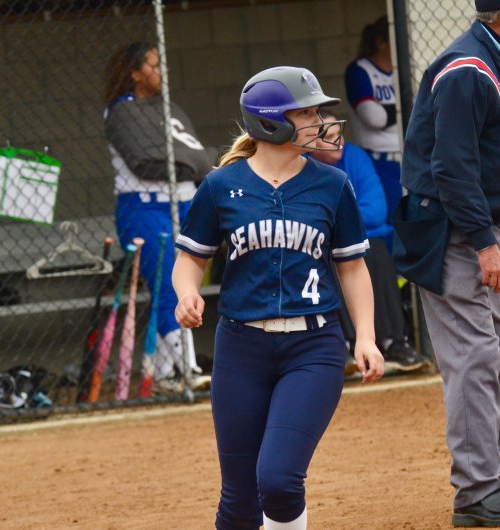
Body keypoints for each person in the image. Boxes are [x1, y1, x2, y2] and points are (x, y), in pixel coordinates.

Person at [172, 66, 385, 530]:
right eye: (306, 112)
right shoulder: (221, 186)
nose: (319, 121)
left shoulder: (332, 185)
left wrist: (364, 338)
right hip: (240, 349)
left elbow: (352, 267)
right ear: (271, 122)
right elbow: (189, 260)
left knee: (280, 480)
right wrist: (187, 294)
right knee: (239, 501)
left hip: (313, 348)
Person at [394, 0, 500, 527]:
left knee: (496, 352)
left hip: (479, 227)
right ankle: (475, 492)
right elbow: (452, 168)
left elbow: (497, 159)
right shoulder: (469, 70)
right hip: (451, 232)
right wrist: (484, 242)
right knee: (472, 358)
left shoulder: (496, 60)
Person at [103, 41, 212, 394]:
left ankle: (166, 374)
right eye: (151, 65)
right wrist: (192, 163)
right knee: (169, 285)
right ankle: (189, 367)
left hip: (185, 202)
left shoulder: (169, 109)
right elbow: (144, 163)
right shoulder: (121, 112)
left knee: (185, 287)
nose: (160, 71)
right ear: (134, 73)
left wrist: (191, 163)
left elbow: (199, 157)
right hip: (145, 207)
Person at [310, 112, 430, 373]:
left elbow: (376, 209)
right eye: (328, 138)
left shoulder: (355, 157)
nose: (338, 142)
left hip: (359, 237)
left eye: (338, 135)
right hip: (320, 244)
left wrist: (337, 222)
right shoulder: (302, 166)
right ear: (310, 142)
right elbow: (308, 218)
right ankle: (345, 344)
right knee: (331, 256)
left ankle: (394, 342)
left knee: (375, 249)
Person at [344, 15, 403, 242]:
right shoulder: (360, 70)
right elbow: (374, 116)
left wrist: (389, 110)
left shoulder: (406, 66)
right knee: (388, 224)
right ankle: (392, 278)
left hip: (410, 159)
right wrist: (403, 107)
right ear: (381, 42)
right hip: (378, 160)